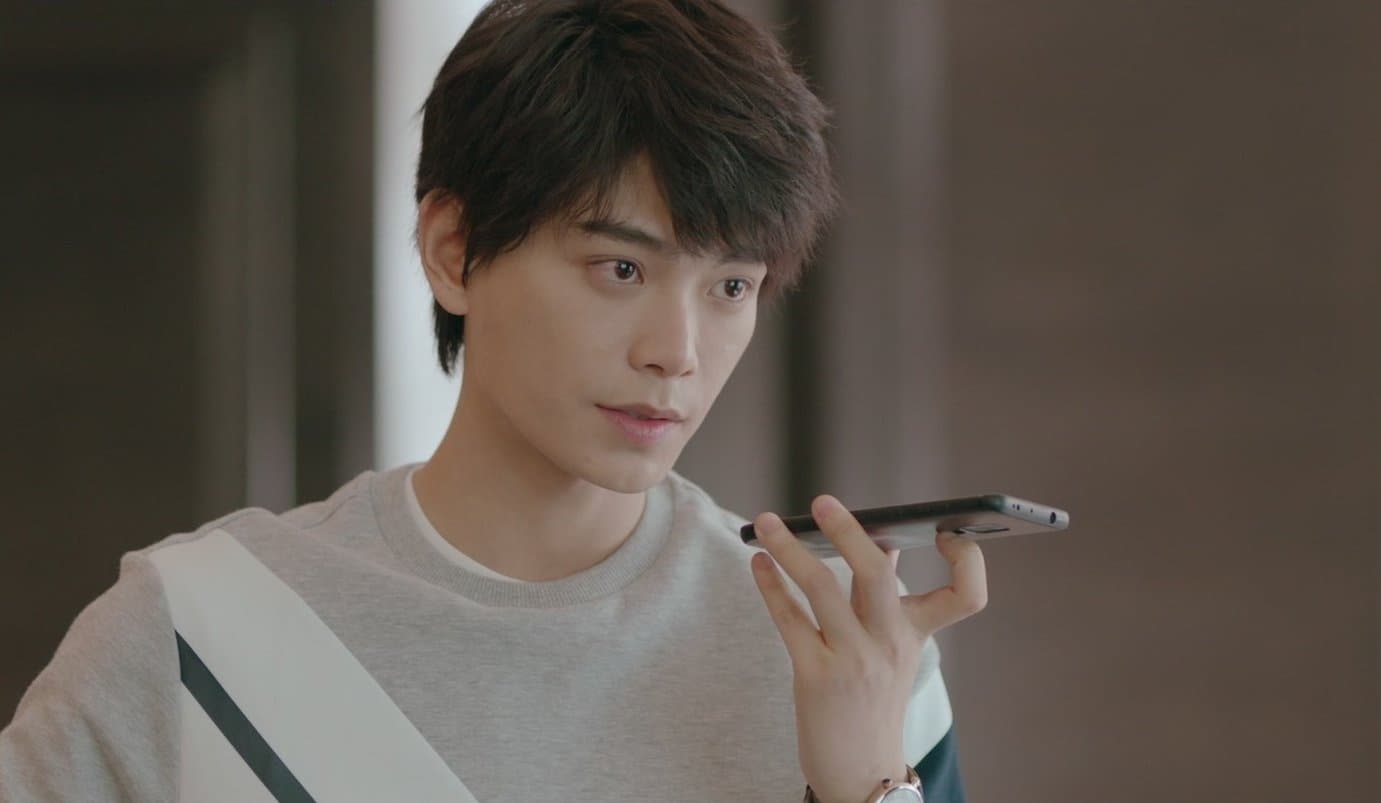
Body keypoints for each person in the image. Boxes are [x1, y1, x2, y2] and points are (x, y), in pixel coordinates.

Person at [0, 1, 987, 801]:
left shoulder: (848, 654)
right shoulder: (195, 636)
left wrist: (869, 785)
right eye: (619, 268)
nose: (677, 353)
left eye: (730, 286)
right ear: (453, 250)